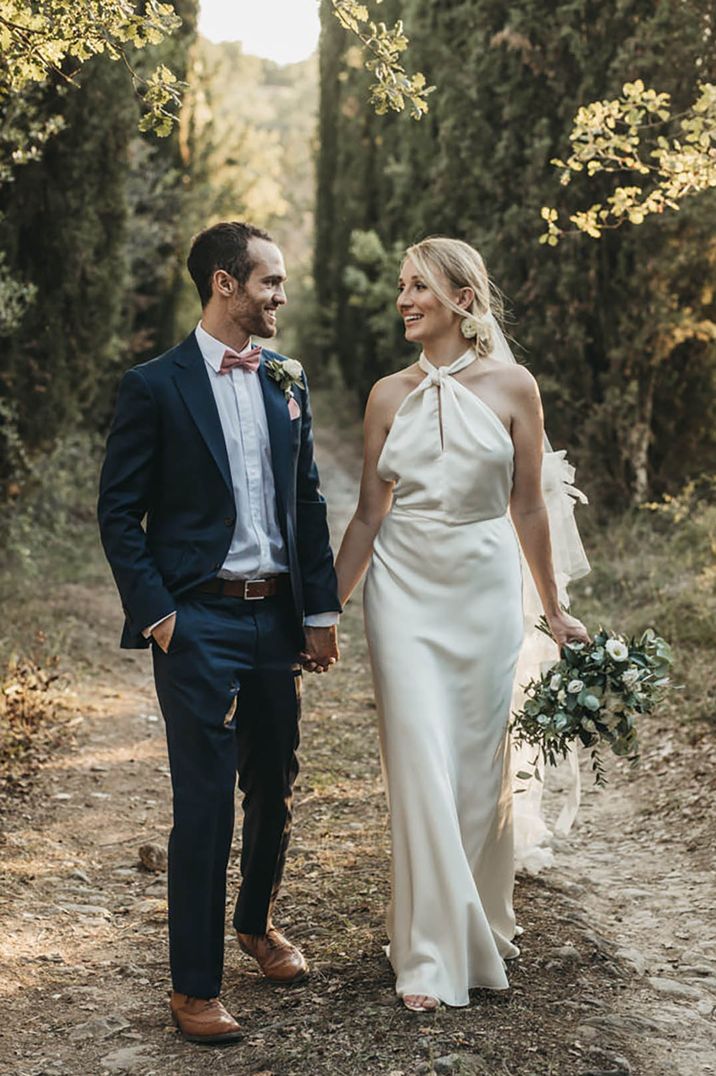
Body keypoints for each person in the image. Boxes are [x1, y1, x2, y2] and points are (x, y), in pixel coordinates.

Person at [98, 221, 340, 1044]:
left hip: (276, 615)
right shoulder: (154, 386)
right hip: (195, 619)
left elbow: (306, 501)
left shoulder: (287, 379)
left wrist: (320, 613)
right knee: (203, 802)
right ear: (225, 286)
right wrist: (161, 617)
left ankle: (255, 922)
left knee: (273, 781)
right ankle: (194, 985)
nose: (281, 295)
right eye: (270, 281)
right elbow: (118, 514)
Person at [334, 236, 589, 1012]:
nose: (404, 300)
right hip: (403, 596)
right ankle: (427, 954)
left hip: (482, 595)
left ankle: (474, 922)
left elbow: (530, 506)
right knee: (419, 766)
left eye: (420, 288)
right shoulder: (385, 394)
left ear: (462, 300)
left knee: (478, 775)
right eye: (403, 287)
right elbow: (369, 515)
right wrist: (322, 609)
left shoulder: (515, 387)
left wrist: (552, 606)